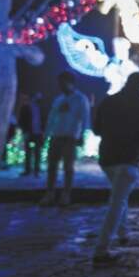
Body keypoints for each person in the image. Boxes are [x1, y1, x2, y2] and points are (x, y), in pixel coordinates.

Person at [91, 72, 139, 264]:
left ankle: (123, 232)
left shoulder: (109, 101)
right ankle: (102, 249)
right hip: (128, 156)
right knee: (117, 201)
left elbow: (96, 128)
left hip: (108, 157)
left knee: (119, 196)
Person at [40, 72, 91, 207]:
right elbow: (51, 118)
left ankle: (65, 195)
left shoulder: (80, 99)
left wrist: (82, 136)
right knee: (52, 167)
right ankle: (50, 193)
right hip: (56, 136)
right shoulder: (58, 99)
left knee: (68, 167)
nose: (60, 85)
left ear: (70, 82)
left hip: (70, 137)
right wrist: (46, 134)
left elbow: (85, 118)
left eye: (62, 82)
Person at [17, 92, 44, 177]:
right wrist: (25, 131)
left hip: (38, 133)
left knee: (37, 152)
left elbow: (44, 120)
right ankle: (28, 169)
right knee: (28, 152)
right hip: (29, 132)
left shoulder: (41, 108)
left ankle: (36, 170)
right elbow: (21, 120)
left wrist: (43, 131)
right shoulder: (25, 107)